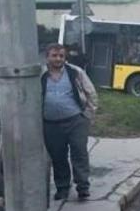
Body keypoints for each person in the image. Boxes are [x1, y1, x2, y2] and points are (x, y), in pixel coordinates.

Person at [41, 43, 98, 201]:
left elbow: (91, 93)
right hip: (50, 124)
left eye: (61, 56)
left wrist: (87, 115)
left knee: (79, 153)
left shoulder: (75, 72)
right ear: (47, 57)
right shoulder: (41, 74)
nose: (58, 59)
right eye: (54, 55)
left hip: (76, 121)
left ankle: (82, 187)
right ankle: (62, 188)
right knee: (58, 156)